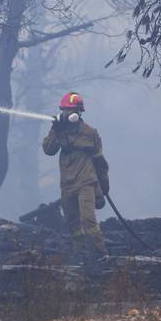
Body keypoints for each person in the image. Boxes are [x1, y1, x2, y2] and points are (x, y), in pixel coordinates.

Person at [42, 91, 109, 255]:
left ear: (79, 113)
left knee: (88, 220)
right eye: (65, 110)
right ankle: (82, 255)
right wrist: (55, 130)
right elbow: (48, 150)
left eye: (72, 110)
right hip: (67, 185)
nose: (69, 113)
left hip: (86, 182)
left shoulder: (90, 133)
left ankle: (102, 254)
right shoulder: (59, 130)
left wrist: (103, 189)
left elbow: (100, 162)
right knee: (72, 222)